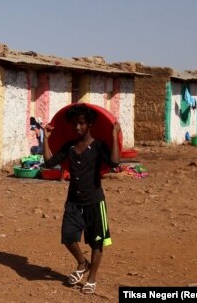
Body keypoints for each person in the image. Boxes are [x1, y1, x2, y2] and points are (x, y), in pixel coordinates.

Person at [43, 104, 120, 295]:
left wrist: (113, 136)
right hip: (73, 202)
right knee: (68, 237)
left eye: (81, 123)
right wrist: (45, 139)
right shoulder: (69, 147)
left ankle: (91, 278)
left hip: (95, 201)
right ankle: (82, 262)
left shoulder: (99, 146)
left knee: (97, 241)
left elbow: (115, 163)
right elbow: (48, 162)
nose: (77, 128)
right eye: (74, 124)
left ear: (90, 124)